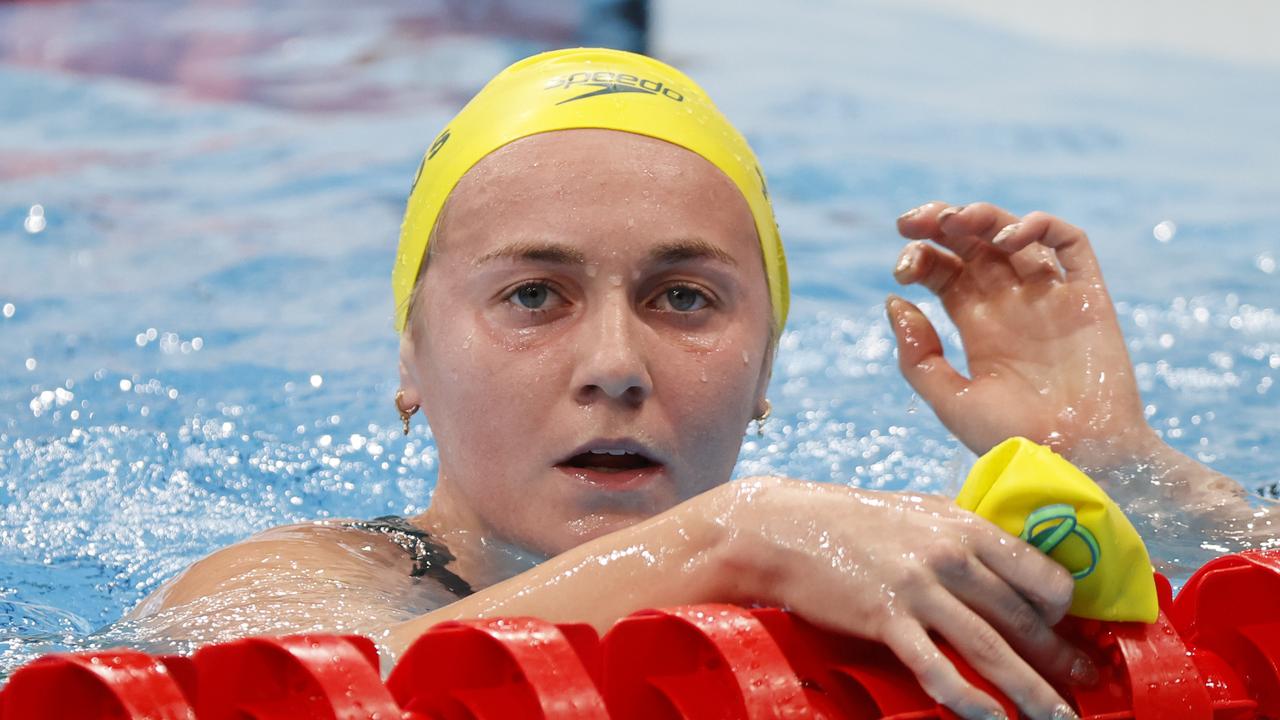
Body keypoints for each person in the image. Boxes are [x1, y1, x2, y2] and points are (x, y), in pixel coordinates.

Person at [122, 48, 1270, 720]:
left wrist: (1124, 468)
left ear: (764, 368)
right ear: (410, 359)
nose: (614, 368)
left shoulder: (847, 548)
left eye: (684, 299)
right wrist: (735, 537)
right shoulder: (294, 577)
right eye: (533, 296)